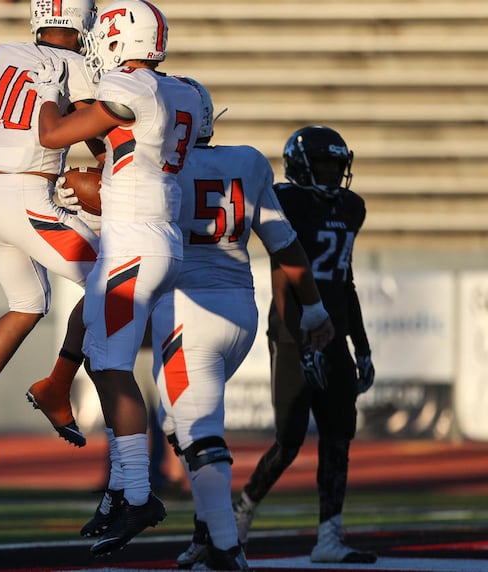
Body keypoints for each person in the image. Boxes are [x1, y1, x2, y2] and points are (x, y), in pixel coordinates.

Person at [34, 0, 204, 555]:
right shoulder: (180, 88)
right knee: (103, 355)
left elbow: (55, 135)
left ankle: (136, 493)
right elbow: (119, 142)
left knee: (109, 367)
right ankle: (117, 492)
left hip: (133, 238)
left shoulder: (132, 89)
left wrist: (47, 89)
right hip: (155, 235)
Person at [148, 80, 335, 571]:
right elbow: (285, 245)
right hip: (240, 312)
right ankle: (209, 531)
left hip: (186, 311)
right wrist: (314, 309)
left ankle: (227, 547)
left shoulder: (150, 165)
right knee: (178, 424)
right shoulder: (249, 162)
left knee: (198, 428)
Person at [0, 0, 103, 467]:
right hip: (27, 198)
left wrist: (13, 158)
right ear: (80, 20)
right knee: (113, 278)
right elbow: (95, 127)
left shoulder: (7, 53)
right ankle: (56, 385)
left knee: (28, 303)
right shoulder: (75, 65)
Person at [232, 125, 376, 564]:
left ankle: (329, 537)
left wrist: (361, 345)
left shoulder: (352, 207)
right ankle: (242, 511)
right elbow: (283, 276)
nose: (334, 174)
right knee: (289, 441)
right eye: (325, 165)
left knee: (338, 438)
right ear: (302, 167)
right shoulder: (288, 200)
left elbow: (344, 282)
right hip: (294, 334)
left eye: (338, 165)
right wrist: (299, 340)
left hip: (333, 334)